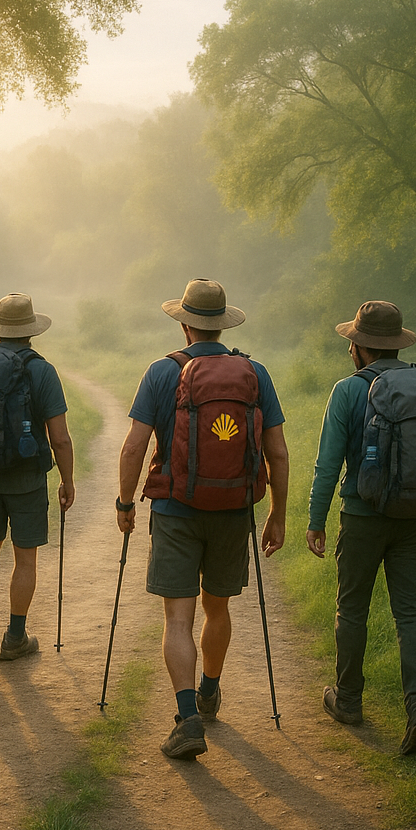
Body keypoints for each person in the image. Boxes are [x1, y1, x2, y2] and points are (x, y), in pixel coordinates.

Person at [117, 279, 289, 760]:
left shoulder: (160, 372)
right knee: (218, 608)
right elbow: (276, 452)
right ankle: (210, 690)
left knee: (178, 617)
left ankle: (187, 717)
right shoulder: (255, 373)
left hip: (175, 511)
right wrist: (276, 513)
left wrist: (126, 503)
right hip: (233, 511)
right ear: (223, 325)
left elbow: (134, 446)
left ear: (184, 324)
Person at [306, 301, 416, 755]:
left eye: (352, 342)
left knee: (352, 609)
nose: (350, 348)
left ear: (360, 347)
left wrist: (316, 520)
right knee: (411, 612)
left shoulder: (347, 390)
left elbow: (327, 465)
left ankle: (348, 700)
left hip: (362, 517)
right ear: (397, 344)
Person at [0, 293, 75, 663]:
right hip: (26, 479)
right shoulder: (41, 371)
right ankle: (15, 637)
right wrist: (67, 480)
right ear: (31, 331)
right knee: (25, 559)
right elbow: (59, 437)